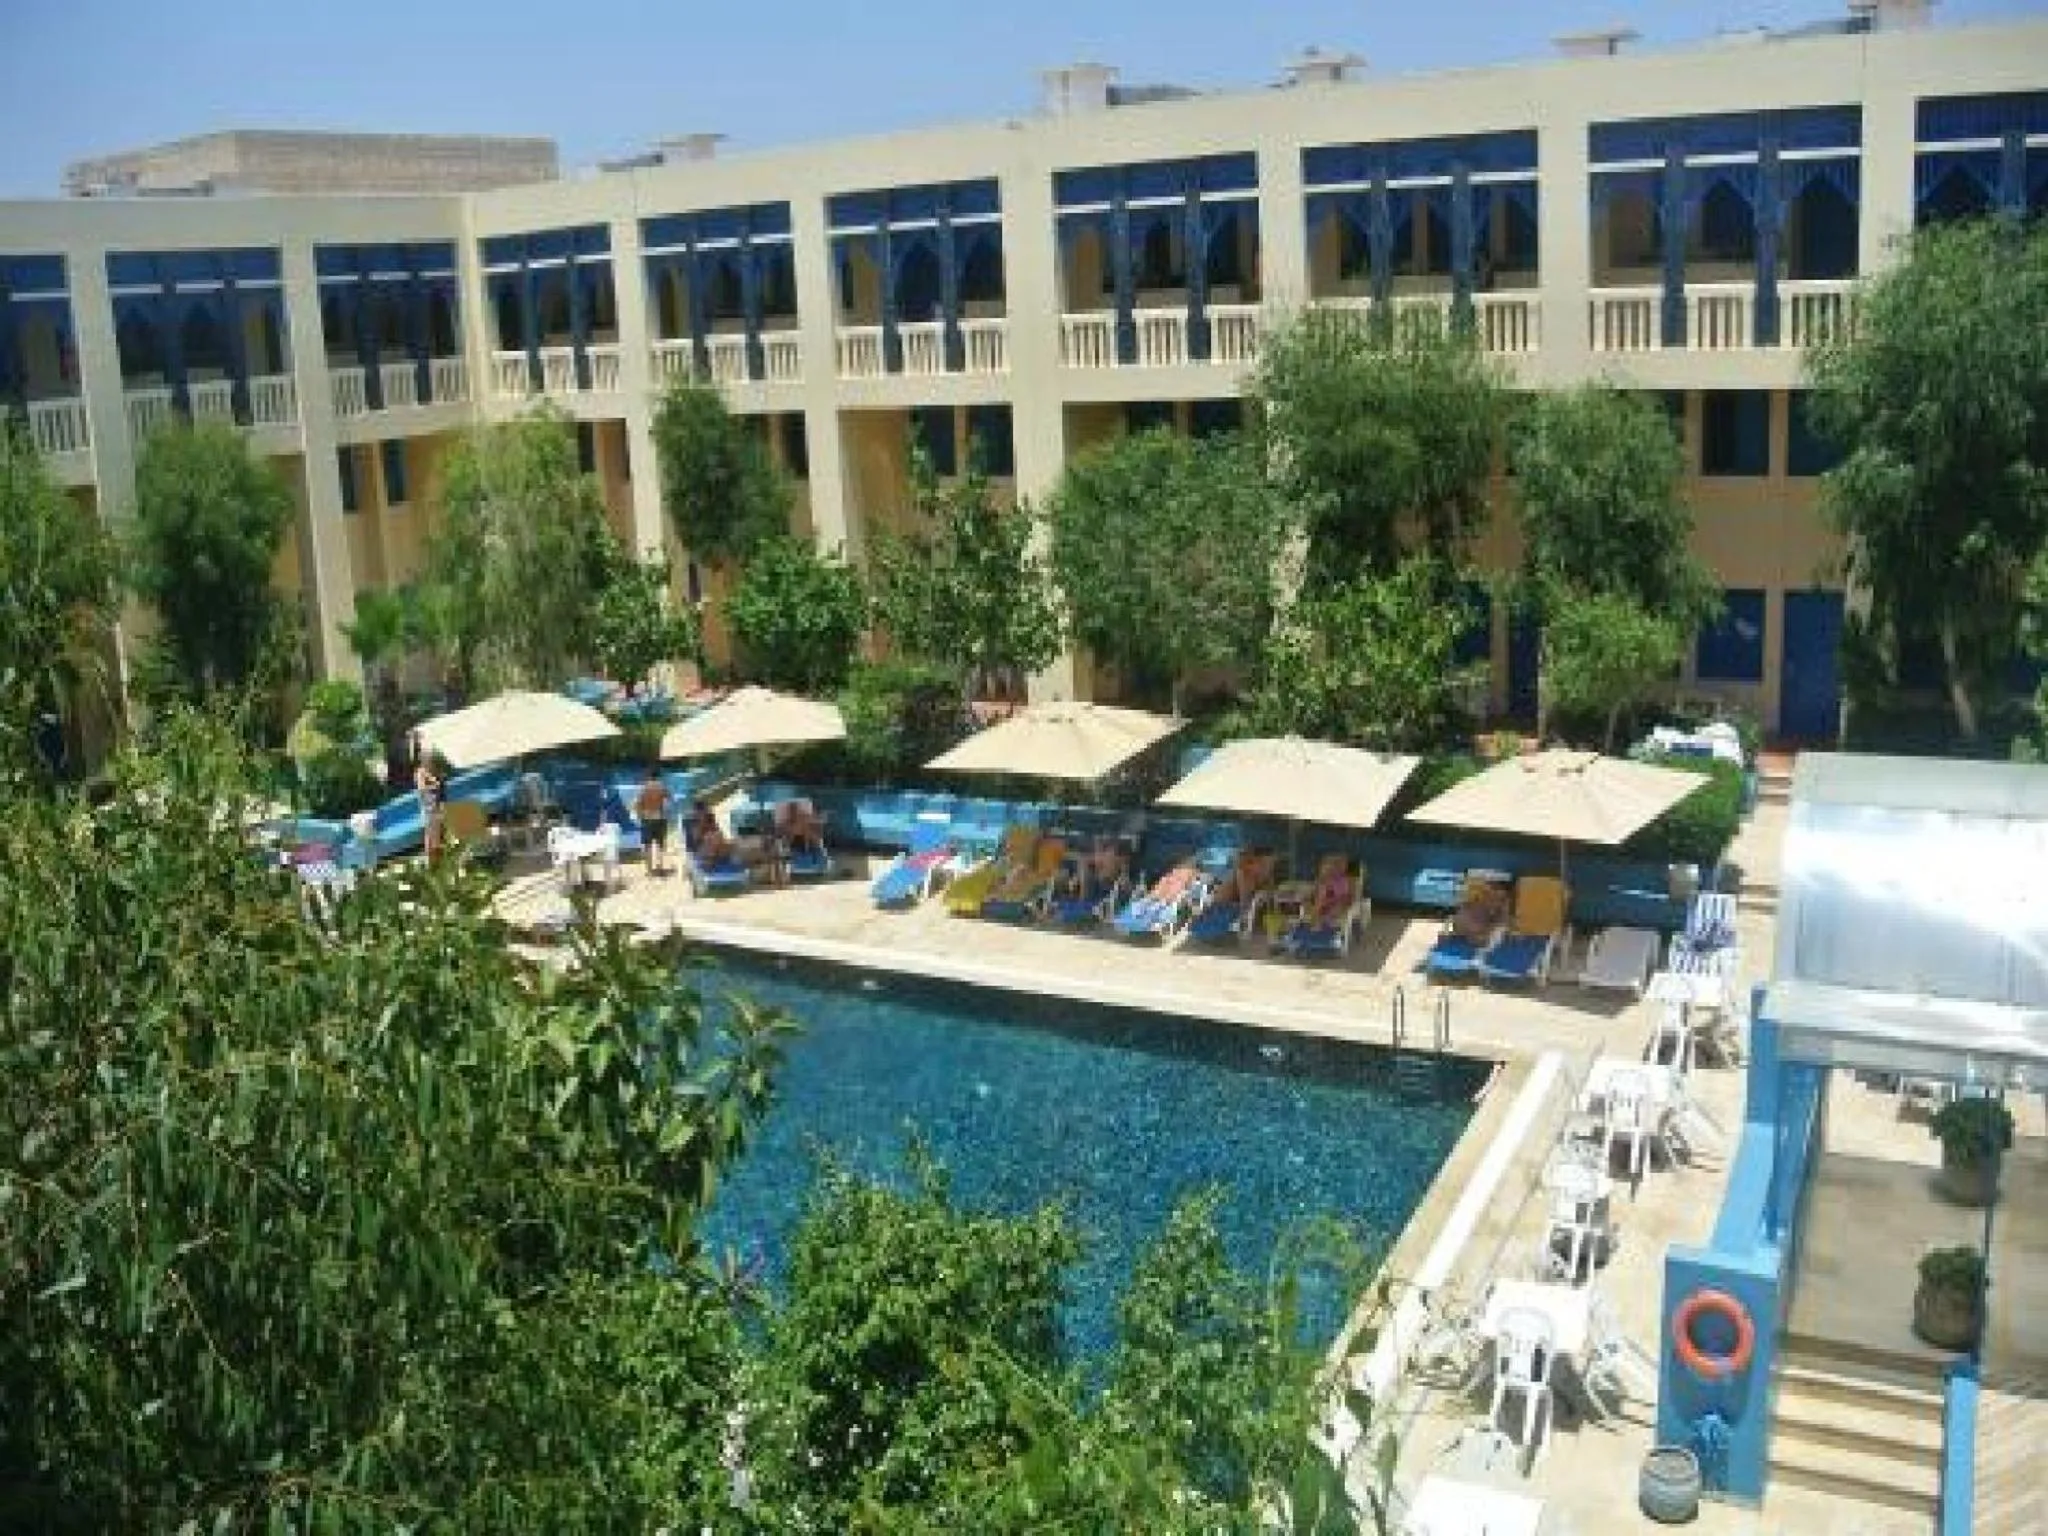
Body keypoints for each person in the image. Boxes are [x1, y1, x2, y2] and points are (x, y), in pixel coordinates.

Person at [635, 767, 673, 876]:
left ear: (648, 776)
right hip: (660, 817)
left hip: (647, 819)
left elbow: (638, 804)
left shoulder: (644, 788)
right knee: (660, 844)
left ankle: (650, 870)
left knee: (648, 845)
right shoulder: (662, 787)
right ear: (658, 776)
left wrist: (639, 816)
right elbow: (669, 802)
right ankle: (660, 867)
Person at [416, 747, 447, 864]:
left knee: (438, 833)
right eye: (429, 759)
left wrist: (437, 783)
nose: (430, 761)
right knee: (429, 834)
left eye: (431, 759)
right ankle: (430, 860)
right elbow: (422, 789)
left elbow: (442, 790)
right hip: (428, 808)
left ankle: (439, 859)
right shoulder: (421, 772)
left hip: (436, 806)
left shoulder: (435, 772)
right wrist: (435, 785)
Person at [686, 799, 731, 868]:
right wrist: (702, 824)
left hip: (712, 849)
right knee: (712, 836)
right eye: (702, 812)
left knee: (721, 837)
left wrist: (710, 823)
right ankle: (709, 862)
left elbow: (718, 832)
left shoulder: (710, 819)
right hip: (699, 851)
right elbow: (696, 840)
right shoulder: (692, 823)